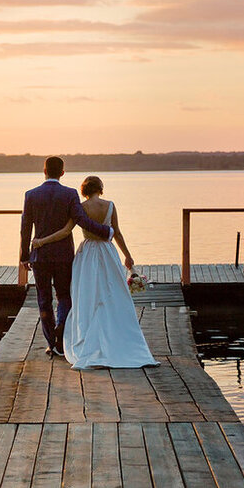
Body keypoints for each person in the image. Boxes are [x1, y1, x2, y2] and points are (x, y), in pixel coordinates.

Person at [31, 175, 157, 369]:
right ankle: (116, 337)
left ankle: (88, 338)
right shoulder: (111, 206)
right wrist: (128, 256)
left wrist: (41, 241)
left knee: (87, 296)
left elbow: (65, 232)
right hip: (107, 252)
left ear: (84, 190)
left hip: (88, 254)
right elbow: (118, 233)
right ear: (101, 188)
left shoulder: (80, 207)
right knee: (111, 293)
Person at [19, 157, 113, 357]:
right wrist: (106, 232)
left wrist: (24, 256)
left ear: (44, 171)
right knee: (64, 296)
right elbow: (81, 220)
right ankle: (62, 331)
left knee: (44, 299)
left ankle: (51, 343)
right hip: (63, 255)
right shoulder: (69, 194)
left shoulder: (31, 195)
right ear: (62, 173)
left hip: (40, 257)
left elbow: (25, 228)